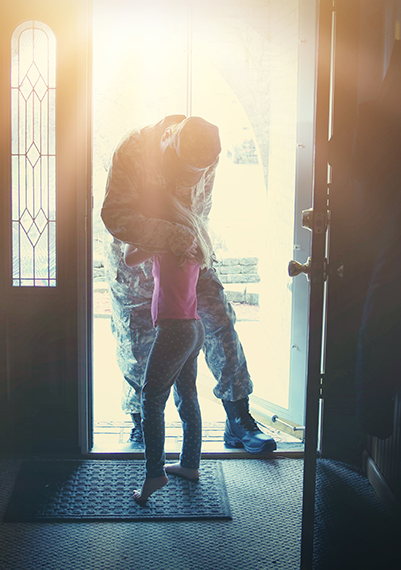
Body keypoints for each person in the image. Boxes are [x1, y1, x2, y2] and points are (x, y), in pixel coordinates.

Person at [101, 114, 276, 454]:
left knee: (221, 324)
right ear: (167, 139)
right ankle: (140, 421)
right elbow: (115, 214)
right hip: (135, 251)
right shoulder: (134, 148)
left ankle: (238, 417)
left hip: (188, 249)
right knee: (138, 339)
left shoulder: (207, 152)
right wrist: (170, 235)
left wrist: (193, 244)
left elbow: (200, 208)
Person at [125, 195, 208, 504]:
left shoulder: (164, 240)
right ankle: (189, 465)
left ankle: (154, 474)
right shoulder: (194, 242)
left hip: (174, 330)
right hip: (193, 327)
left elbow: (129, 258)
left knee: (151, 399)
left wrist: (139, 228)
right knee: (187, 395)